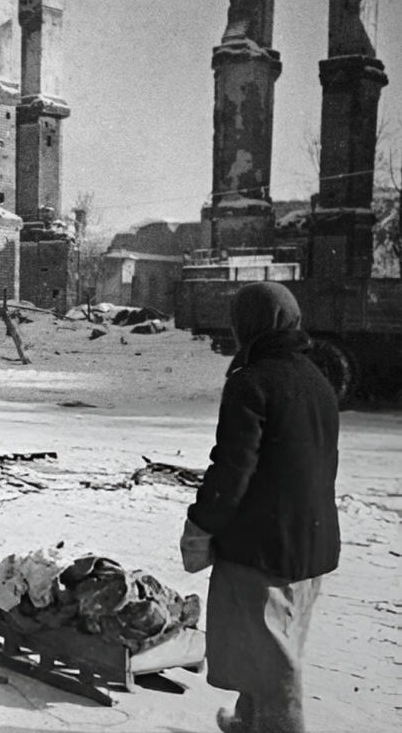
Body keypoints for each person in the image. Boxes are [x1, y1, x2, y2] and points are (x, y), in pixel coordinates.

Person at [180, 282, 339, 733]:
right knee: (272, 649)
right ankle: (251, 723)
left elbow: (232, 470)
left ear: (246, 326)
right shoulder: (317, 380)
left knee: (274, 670)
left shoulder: (251, 383)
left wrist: (200, 524)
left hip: (265, 550)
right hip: (312, 544)